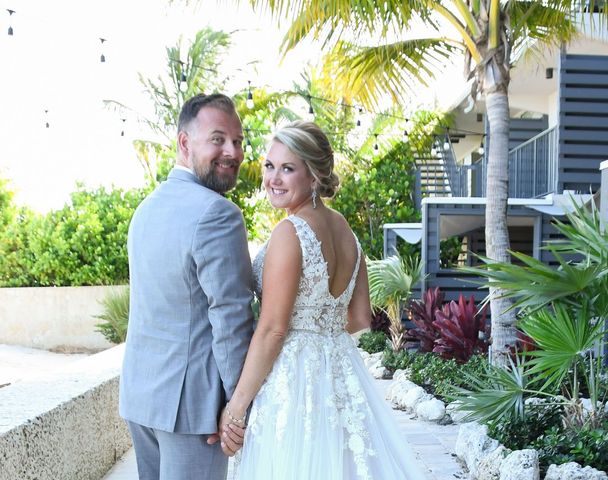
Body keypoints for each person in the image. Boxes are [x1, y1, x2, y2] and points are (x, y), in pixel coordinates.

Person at [223, 121, 425, 479]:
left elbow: (272, 328)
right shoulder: (346, 230)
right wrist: (322, 332)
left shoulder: (290, 231)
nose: (273, 179)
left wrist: (237, 408)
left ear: (314, 176)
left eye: (288, 168)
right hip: (341, 373)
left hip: (292, 377)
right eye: (270, 166)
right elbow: (361, 317)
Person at [120, 93, 254, 480]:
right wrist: (236, 404)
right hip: (192, 408)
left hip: (141, 398)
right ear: (184, 143)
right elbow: (231, 318)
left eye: (238, 141)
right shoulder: (218, 213)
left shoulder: (144, 210)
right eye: (217, 139)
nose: (232, 151)